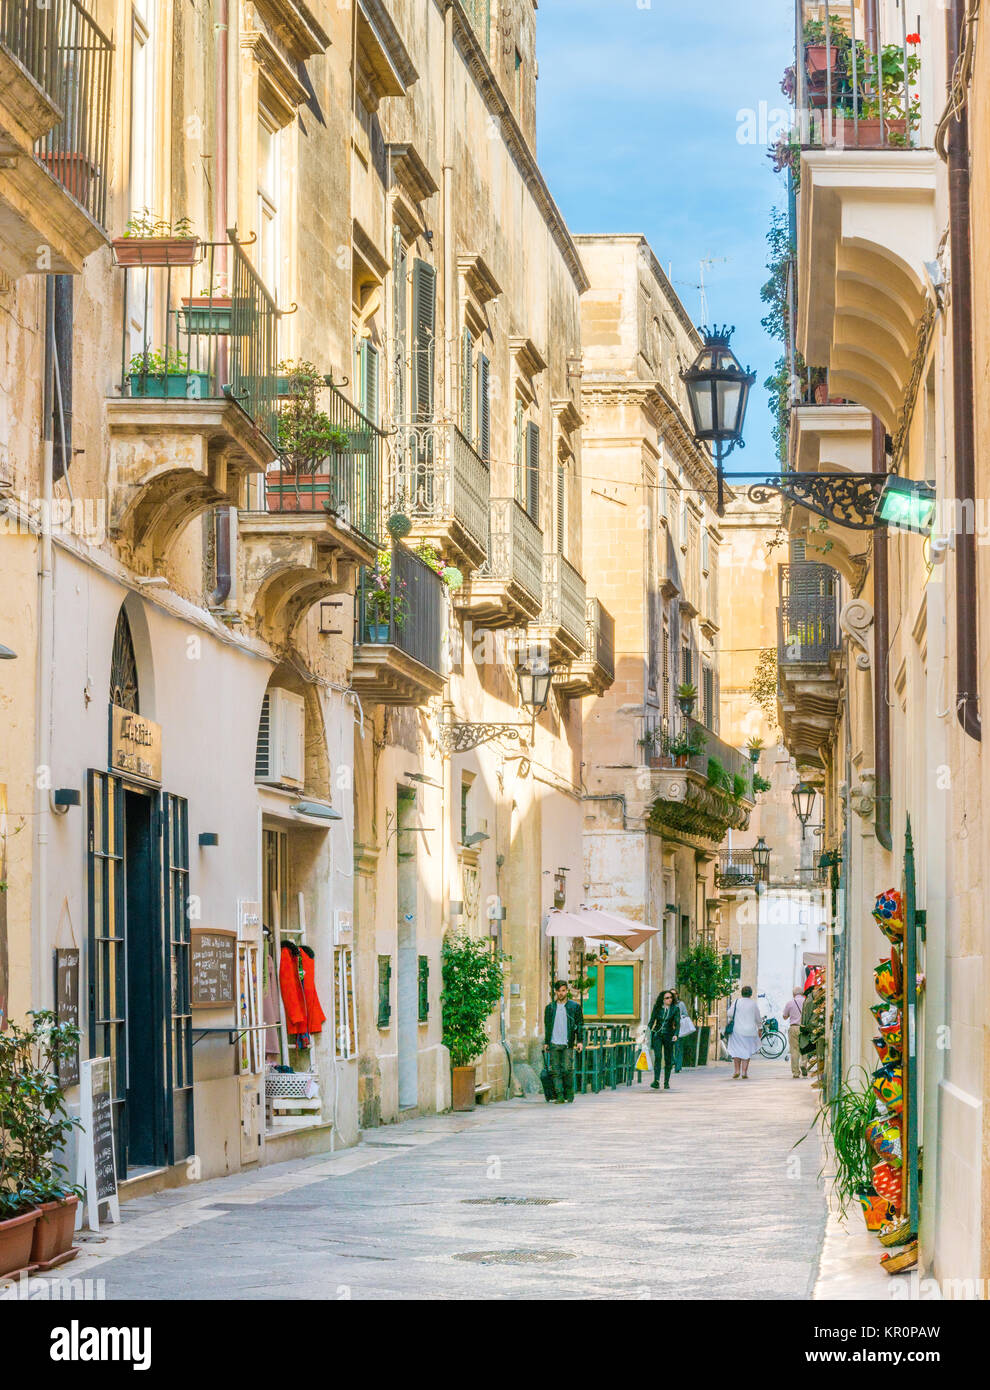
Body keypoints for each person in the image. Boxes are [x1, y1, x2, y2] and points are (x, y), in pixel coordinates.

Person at [543, 980, 584, 1103]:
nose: (561, 993)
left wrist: (580, 1041)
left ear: (567, 991)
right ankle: (559, 1095)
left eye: (563, 990)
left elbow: (580, 1024)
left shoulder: (574, 1007)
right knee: (555, 1070)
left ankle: (569, 1094)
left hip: (567, 1042)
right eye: (559, 991)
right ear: (555, 991)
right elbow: (547, 1026)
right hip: (554, 1042)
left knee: (567, 1069)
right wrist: (546, 1042)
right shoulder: (550, 1008)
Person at [726, 984, 762, 1079]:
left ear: (741, 993)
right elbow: (758, 1017)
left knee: (737, 1050)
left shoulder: (737, 1002)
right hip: (750, 1031)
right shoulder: (753, 1004)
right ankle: (744, 1072)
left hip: (737, 1030)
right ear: (750, 994)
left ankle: (737, 1070)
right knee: (747, 1051)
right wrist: (760, 1028)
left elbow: (729, 1014)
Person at [648, 988, 679, 1090]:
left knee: (668, 1058)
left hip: (669, 1035)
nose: (669, 999)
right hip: (657, 1035)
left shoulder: (675, 1009)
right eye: (667, 998)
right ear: (663, 999)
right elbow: (652, 1021)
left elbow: (678, 1023)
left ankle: (666, 1082)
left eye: (671, 997)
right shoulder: (657, 1008)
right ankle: (656, 1081)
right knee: (658, 1056)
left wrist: (676, 1034)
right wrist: (646, 1033)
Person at [782, 986, 807, 1078]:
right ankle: (803, 1064)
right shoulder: (806, 1002)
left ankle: (796, 1072)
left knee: (794, 1050)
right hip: (804, 1028)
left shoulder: (790, 1003)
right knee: (805, 1048)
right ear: (803, 993)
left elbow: (785, 1016)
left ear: (793, 994)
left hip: (794, 1027)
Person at [670, 988, 692, 1073]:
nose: (673, 996)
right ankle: (673, 1061)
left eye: (674, 994)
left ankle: (678, 1066)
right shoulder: (667, 1004)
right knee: (669, 1047)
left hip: (678, 1028)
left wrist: (679, 1019)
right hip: (669, 1029)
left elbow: (685, 1014)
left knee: (678, 1047)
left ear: (677, 995)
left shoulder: (681, 1004)